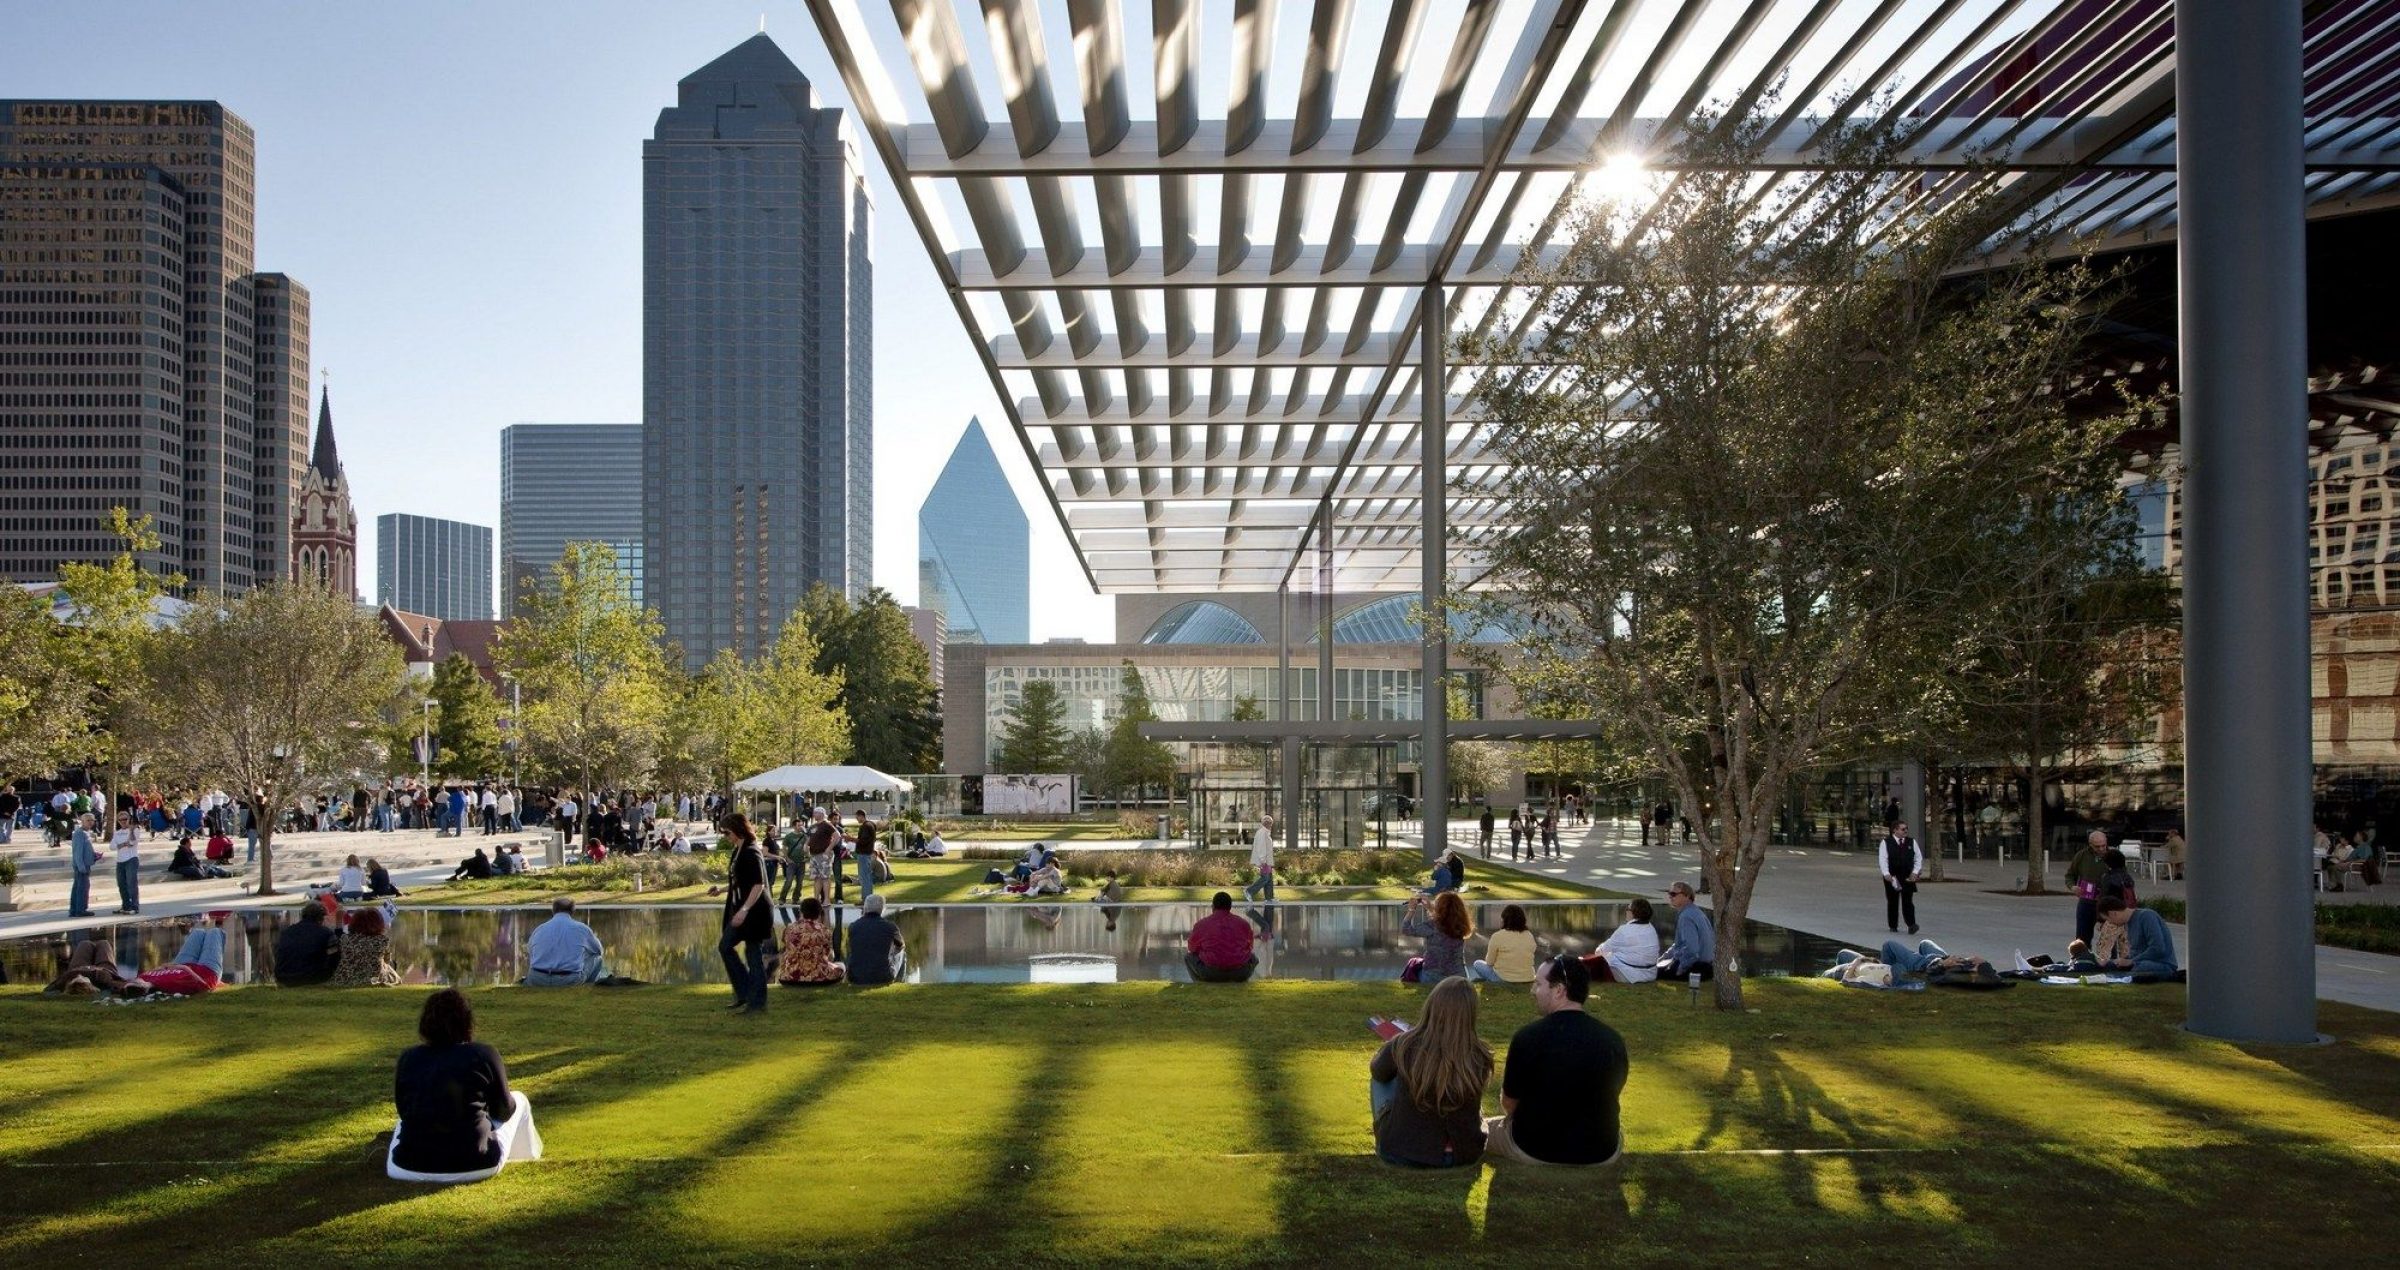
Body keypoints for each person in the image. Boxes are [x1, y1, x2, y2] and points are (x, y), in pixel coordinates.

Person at [1483, 956, 1627, 1167]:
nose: (1533, 991)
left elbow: (1509, 1103)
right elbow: (1612, 1092)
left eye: (1539, 984)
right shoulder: (1613, 1040)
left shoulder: (1528, 1037)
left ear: (1559, 990)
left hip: (1534, 1148)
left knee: (1480, 1129)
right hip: (1600, 1151)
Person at [389, 988, 543, 1184]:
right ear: (467, 1023)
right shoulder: (484, 1054)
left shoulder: (408, 1057)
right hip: (477, 1164)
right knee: (520, 1099)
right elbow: (506, 1110)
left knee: (404, 1122)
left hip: (406, 1167)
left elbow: (403, 1111)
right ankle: (528, 1159)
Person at [1368, 976, 1492, 1168]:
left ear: (1432, 1006)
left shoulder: (1404, 1044)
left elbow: (1378, 1072)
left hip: (1404, 1152)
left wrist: (1394, 1051)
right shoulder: (1480, 1054)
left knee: (1381, 1078)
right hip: (1464, 1154)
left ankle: (1394, 1131)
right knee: (1464, 1087)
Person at [718, 813, 773, 1013]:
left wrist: (744, 910)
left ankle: (756, 1002)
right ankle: (744, 992)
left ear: (738, 830)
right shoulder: (738, 850)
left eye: (727, 832)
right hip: (742, 908)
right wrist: (722, 890)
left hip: (755, 910)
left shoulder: (751, 851)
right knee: (725, 947)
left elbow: (758, 885)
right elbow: (740, 880)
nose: (725, 836)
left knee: (753, 954)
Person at [125, 916, 227, 996]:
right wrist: (182, 967)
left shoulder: (144, 977)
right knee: (215, 932)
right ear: (144, 987)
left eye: (133, 981)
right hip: (207, 971)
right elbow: (205, 987)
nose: (135, 980)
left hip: (183, 962)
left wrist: (164, 967)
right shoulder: (169, 987)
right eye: (136, 983)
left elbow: (161, 968)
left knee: (198, 932)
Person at [525, 898, 608, 986]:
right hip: (568, 980)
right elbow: (599, 951)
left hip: (536, 979)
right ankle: (589, 986)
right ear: (572, 911)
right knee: (597, 958)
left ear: (553, 910)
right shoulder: (582, 929)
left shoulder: (540, 928)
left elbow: (530, 950)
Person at [2096, 897, 2184, 981]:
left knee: (2142, 968)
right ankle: (2120, 977)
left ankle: (2122, 977)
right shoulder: (2128, 923)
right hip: (2139, 962)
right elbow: (2136, 952)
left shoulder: (2146, 916)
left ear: (2113, 913)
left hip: (2161, 964)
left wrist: (2131, 961)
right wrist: (2115, 961)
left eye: (2109, 920)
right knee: (2109, 965)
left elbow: (2158, 949)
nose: (2111, 923)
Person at [1400, 890, 1473, 983]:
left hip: (1433, 977)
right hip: (1459, 977)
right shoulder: (1462, 926)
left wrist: (1411, 910)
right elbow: (1444, 920)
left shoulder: (1432, 926)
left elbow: (1406, 929)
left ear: (1439, 908)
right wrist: (1430, 909)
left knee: (1413, 964)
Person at [1185, 891, 1258, 982]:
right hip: (1240, 972)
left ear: (1213, 906)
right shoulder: (1243, 924)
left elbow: (1192, 948)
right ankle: (1240, 981)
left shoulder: (1202, 924)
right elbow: (1250, 946)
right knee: (1253, 957)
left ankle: (1200, 982)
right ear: (1230, 907)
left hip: (1211, 972)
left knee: (1188, 957)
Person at [1586, 898, 1663, 985]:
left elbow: (1602, 950)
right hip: (1650, 974)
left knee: (1601, 958)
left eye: (1628, 909)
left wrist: (1598, 951)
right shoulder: (1651, 929)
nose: (1626, 911)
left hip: (1628, 975)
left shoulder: (1624, 930)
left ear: (1633, 912)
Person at [777, 896, 845, 986]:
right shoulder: (824, 931)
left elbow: (786, 947)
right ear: (818, 913)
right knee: (841, 966)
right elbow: (827, 954)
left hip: (789, 976)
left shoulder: (789, 929)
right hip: (817, 977)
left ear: (801, 911)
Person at [331, 905, 402, 987]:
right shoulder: (382, 940)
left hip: (346, 978)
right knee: (391, 967)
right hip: (372, 979)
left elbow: (338, 935)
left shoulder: (345, 939)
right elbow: (387, 961)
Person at [274, 904, 343, 986]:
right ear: (321, 918)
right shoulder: (327, 933)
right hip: (312, 977)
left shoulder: (287, 932)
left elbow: (278, 953)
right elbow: (335, 957)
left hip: (284, 977)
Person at [1658, 881, 1715, 981]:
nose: (1670, 897)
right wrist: (1663, 958)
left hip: (1697, 967)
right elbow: (1679, 944)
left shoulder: (1686, 917)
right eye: (1669, 893)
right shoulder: (1695, 912)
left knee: (1653, 972)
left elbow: (1692, 949)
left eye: (1674, 894)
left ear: (1687, 896)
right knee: (1659, 966)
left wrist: (1681, 968)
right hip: (1708, 966)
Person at [1470, 903, 1538, 984]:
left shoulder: (1497, 936)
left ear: (1504, 920)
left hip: (1504, 979)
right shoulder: (1529, 935)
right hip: (1528, 978)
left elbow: (1489, 962)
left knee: (1477, 964)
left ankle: (1494, 981)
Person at [846, 893, 905, 986]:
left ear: (865, 907)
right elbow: (901, 945)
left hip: (855, 977)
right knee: (902, 953)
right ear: (882, 909)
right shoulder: (890, 927)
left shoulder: (853, 926)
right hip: (883, 977)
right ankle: (900, 982)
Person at [2065, 830, 2110, 946]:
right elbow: (2070, 875)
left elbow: (2122, 875)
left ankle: (2109, 962)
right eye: (2097, 846)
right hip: (2086, 902)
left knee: (2109, 939)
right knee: (2082, 939)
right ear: (2090, 845)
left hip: (2107, 903)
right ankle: (2082, 961)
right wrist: (2073, 887)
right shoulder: (2082, 856)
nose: (2101, 849)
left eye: (2103, 846)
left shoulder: (2112, 856)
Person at [1879, 820, 1923, 935]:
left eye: (1906, 828)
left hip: (1907, 875)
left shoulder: (1911, 842)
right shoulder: (1886, 842)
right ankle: (1893, 925)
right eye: (1903, 829)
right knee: (1893, 900)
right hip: (1893, 876)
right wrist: (1886, 873)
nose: (1905, 831)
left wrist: (1915, 872)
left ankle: (1911, 924)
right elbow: (1883, 859)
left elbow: (1918, 858)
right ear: (1895, 830)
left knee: (1908, 900)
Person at [47, 935, 132, 994]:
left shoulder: (66, 980)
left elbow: (49, 989)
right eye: (82, 979)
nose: (80, 976)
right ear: (90, 985)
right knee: (104, 943)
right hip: (104, 968)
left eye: (76, 979)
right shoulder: (104, 981)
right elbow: (123, 985)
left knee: (85, 943)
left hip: (78, 966)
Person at [65, 813, 100, 918]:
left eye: (92, 820)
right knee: (82, 888)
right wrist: (81, 866)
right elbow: (78, 852)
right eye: (88, 820)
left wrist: (94, 855)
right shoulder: (80, 833)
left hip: (85, 864)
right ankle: (80, 910)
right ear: (82, 821)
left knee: (78, 887)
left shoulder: (86, 833)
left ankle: (74, 910)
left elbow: (85, 849)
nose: (90, 822)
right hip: (82, 866)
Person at [111, 812, 141, 914]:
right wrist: (124, 844)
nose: (123, 821)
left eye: (125, 819)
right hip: (120, 860)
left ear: (129, 819)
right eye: (121, 820)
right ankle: (125, 905)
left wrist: (131, 832)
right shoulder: (117, 832)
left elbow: (132, 843)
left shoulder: (135, 830)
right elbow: (112, 847)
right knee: (121, 884)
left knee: (131, 883)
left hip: (131, 859)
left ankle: (134, 906)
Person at [1245, 812, 1277, 903]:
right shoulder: (1262, 833)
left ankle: (1269, 898)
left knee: (1269, 878)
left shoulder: (1265, 832)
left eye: (1271, 823)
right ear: (1265, 823)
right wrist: (1263, 860)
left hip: (1268, 860)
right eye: (1269, 823)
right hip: (1264, 860)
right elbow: (1261, 847)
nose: (1271, 825)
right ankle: (1249, 891)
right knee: (1265, 878)